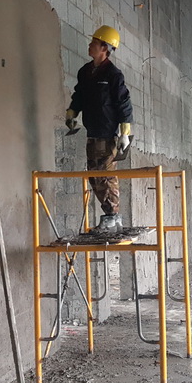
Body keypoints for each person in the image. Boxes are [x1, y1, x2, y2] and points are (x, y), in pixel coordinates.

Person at [65, 25, 134, 232]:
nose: (89, 45)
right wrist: (72, 112)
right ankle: (110, 216)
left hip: (108, 134)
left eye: (94, 42)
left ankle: (113, 216)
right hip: (92, 133)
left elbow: (123, 103)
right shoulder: (85, 72)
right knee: (94, 175)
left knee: (106, 175)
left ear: (105, 47)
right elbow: (79, 95)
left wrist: (125, 132)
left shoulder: (113, 75)